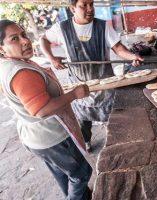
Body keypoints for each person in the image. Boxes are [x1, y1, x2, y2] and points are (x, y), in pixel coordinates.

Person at [0, 19, 92, 200]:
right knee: (81, 173)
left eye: (23, 35)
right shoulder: (21, 72)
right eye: (14, 39)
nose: (25, 41)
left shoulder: (8, 66)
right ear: (1, 49)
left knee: (63, 173)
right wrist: (74, 94)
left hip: (33, 137)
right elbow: (41, 110)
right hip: (51, 137)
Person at [39, 0, 144, 152]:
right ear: (72, 8)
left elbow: (119, 49)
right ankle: (86, 140)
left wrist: (132, 56)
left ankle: (115, 143)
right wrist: (52, 58)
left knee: (112, 118)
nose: (90, 9)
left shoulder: (103, 27)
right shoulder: (62, 28)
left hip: (105, 85)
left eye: (91, 4)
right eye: (84, 5)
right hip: (79, 86)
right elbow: (44, 39)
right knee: (83, 119)